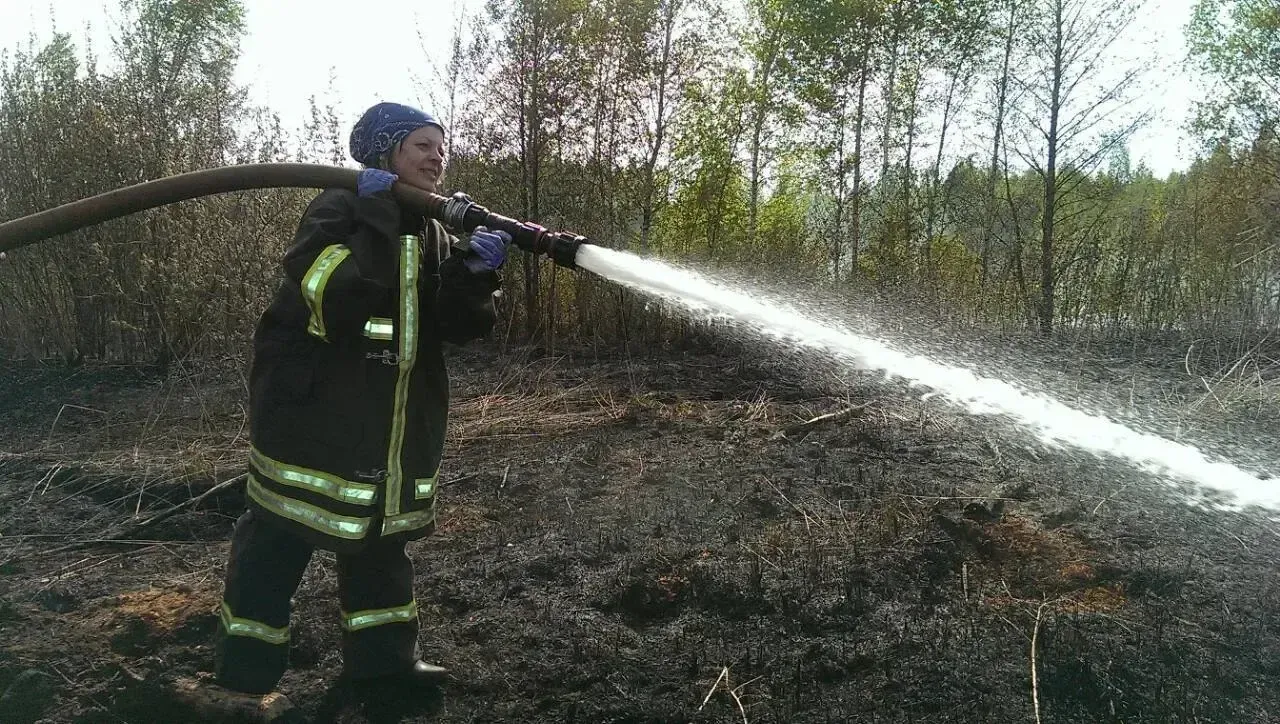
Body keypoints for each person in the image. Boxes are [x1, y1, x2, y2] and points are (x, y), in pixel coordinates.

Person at [212, 101, 511, 696]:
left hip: (392, 424)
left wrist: (473, 274)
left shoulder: (428, 228)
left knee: (379, 543)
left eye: (440, 146)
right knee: (279, 537)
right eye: (422, 144)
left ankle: (385, 668)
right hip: (315, 416)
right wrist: (375, 213)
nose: (437, 156)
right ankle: (244, 678)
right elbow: (337, 299)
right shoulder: (337, 208)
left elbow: (453, 327)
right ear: (386, 151)